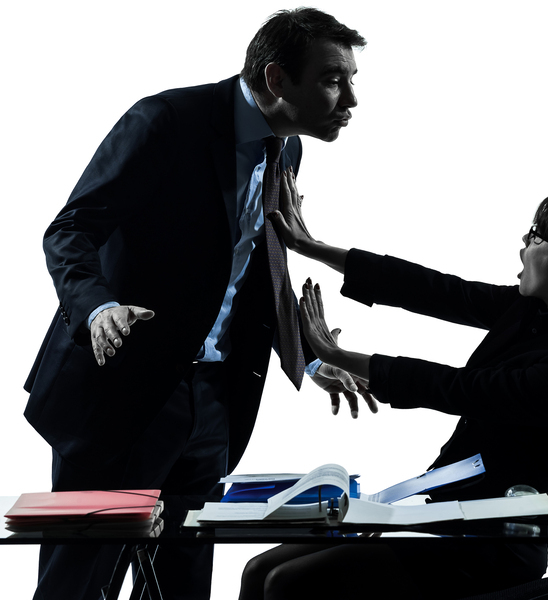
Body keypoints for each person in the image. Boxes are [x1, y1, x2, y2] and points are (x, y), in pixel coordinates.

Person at [24, 8, 373, 600]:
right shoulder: (165, 122)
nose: (352, 99)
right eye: (333, 80)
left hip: (212, 400)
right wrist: (97, 307)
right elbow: (70, 229)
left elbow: (256, 269)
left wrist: (308, 358)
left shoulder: (285, 151)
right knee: (80, 584)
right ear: (277, 79)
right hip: (122, 389)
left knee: (183, 582)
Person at [237, 183, 548, 599]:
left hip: (488, 547)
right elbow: (434, 289)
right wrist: (310, 246)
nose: (522, 245)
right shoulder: (537, 309)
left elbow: (458, 389)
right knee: (259, 571)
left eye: (534, 235)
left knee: (287, 584)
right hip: (442, 513)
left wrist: (339, 354)